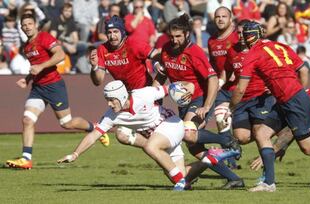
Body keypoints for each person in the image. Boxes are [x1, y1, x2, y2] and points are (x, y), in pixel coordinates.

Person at [232, 21, 310, 192]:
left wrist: (230, 108)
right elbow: (303, 69)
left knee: (309, 147)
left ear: (250, 36)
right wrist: (294, 88)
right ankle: (268, 183)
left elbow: (240, 88)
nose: (240, 38)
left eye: (243, 34)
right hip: (291, 98)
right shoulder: (281, 46)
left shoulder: (252, 53)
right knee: (262, 133)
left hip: (294, 100)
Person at [57, 80, 236, 191]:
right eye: (107, 101)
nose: (110, 104)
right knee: (185, 177)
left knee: (151, 147)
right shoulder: (111, 115)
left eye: (112, 100)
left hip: (171, 125)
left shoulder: (145, 93)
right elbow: (94, 134)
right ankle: (211, 158)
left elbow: (170, 88)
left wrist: (187, 87)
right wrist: (75, 154)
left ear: (120, 96)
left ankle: (178, 182)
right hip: (162, 136)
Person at [5, 14, 107, 170]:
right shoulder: (27, 46)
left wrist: (41, 67)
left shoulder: (44, 37)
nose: (27, 27)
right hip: (38, 88)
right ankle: (26, 159)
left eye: (29, 24)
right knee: (27, 120)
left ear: (35, 25)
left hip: (54, 86)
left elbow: (60, 55)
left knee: (66, 123)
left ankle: (95, 128)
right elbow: (36, 68)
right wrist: (27, 79)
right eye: (24, 25)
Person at [154, 13, 244, 189]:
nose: (174, 40)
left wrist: (207, 106)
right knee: (195, 149)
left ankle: (226, 141)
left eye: (178, 36)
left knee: (188, 133)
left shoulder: (194, 52)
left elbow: (212, 79)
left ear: (187, 34)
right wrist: (154, 96)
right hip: (183, 103)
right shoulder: (166, 49)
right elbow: (161, 74)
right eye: (171, 37)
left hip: (200, 98)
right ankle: (234, 179)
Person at [207, 7, 240, 168]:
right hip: (223, 88)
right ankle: (230, 159)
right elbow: (213, 65)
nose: (220, 19)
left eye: (224, 16)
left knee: (244, 129)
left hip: (240, 88)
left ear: (230, 18)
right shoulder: (211, 40)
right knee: (221, 119)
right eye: (217, 17)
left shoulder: (237, 37)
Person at [89, 15, 158, 90]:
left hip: (145, 90)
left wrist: (156, 64)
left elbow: (158, 55)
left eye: (115, 31)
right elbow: (98, 82)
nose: (112, 36)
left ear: (122, 32)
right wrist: (94, 67)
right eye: (109, 32)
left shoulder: (134, 44)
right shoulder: (102, 49)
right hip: (125, 94)